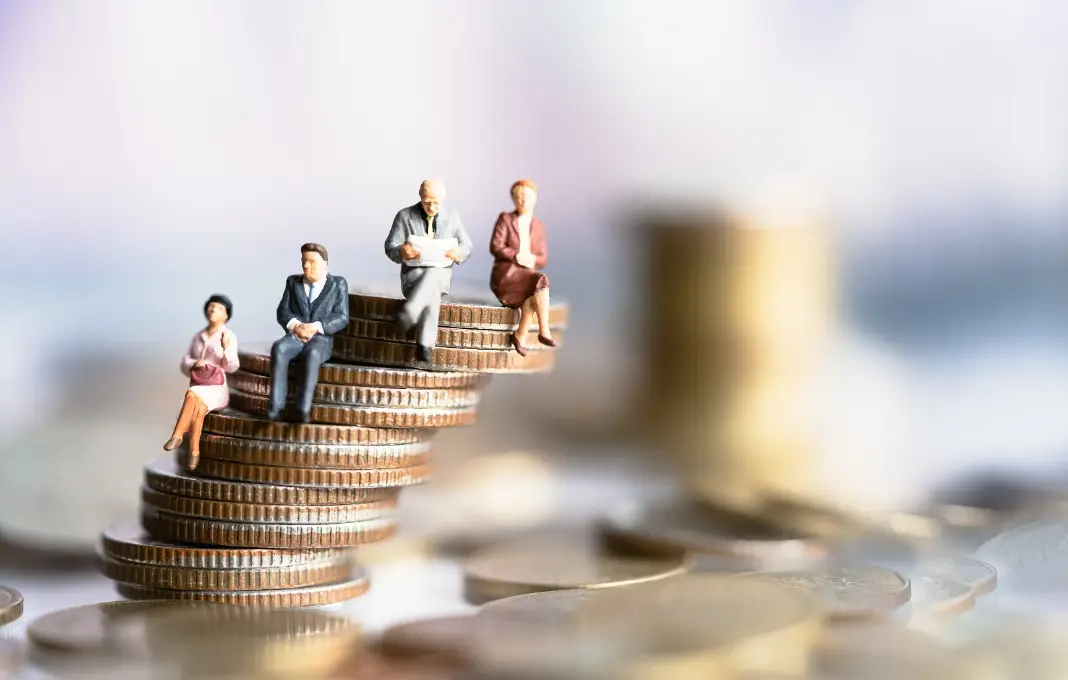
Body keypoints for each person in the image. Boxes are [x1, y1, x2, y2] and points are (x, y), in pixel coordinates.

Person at [384, 179, 473, 362]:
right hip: (413, 277)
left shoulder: (452, 216)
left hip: (440, 276)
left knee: (436, 271)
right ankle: (424, 345)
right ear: (420, 196)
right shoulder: (404, 215)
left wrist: (459, 254)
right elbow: (390, 246)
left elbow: (467, 246)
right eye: (427, 202)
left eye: (436, 202)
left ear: (443, 198)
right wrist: (401, 251)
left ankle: (411, 312)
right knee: (433, 283)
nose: (431, 207)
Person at [268, 243, 350, 423]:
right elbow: (283, 311)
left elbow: (342, 317)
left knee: (312, 354)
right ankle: (275, 408)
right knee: (279, 348)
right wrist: (296, 326)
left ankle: (302, 409)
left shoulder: (338, 284)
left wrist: (316, 327)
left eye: (311, 261)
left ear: (325, 264)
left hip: (320, 339)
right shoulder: (293, 282)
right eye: (304, 261)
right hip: (296, 336)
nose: (306, 266)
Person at [163, 294, 239, 470]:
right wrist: (193, 364)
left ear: (226, 315)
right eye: (211, 306)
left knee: (191, 394)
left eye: (219, 308)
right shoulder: (198, 336)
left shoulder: (228, 335)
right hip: (199, 383)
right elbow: (184, 361)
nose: (213, 310)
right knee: (199, 410)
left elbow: (232, 366)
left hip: (217, 387)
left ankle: (178, 435)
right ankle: (194, 452)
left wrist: (226, 348)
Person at [489, 179, 557, 356]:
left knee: (536, 288)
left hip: (527, 274)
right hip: (508, 275)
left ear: (535, 199)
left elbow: (543, 258)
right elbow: (495, 246)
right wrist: (515, 255)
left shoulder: (538, 225)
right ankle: (544, 331)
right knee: (538, 286)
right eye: (518, 197)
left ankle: (520, 336)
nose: (523, 200)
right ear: (513, 199)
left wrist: (532, 258)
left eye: (526, 197)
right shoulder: (506, 219)